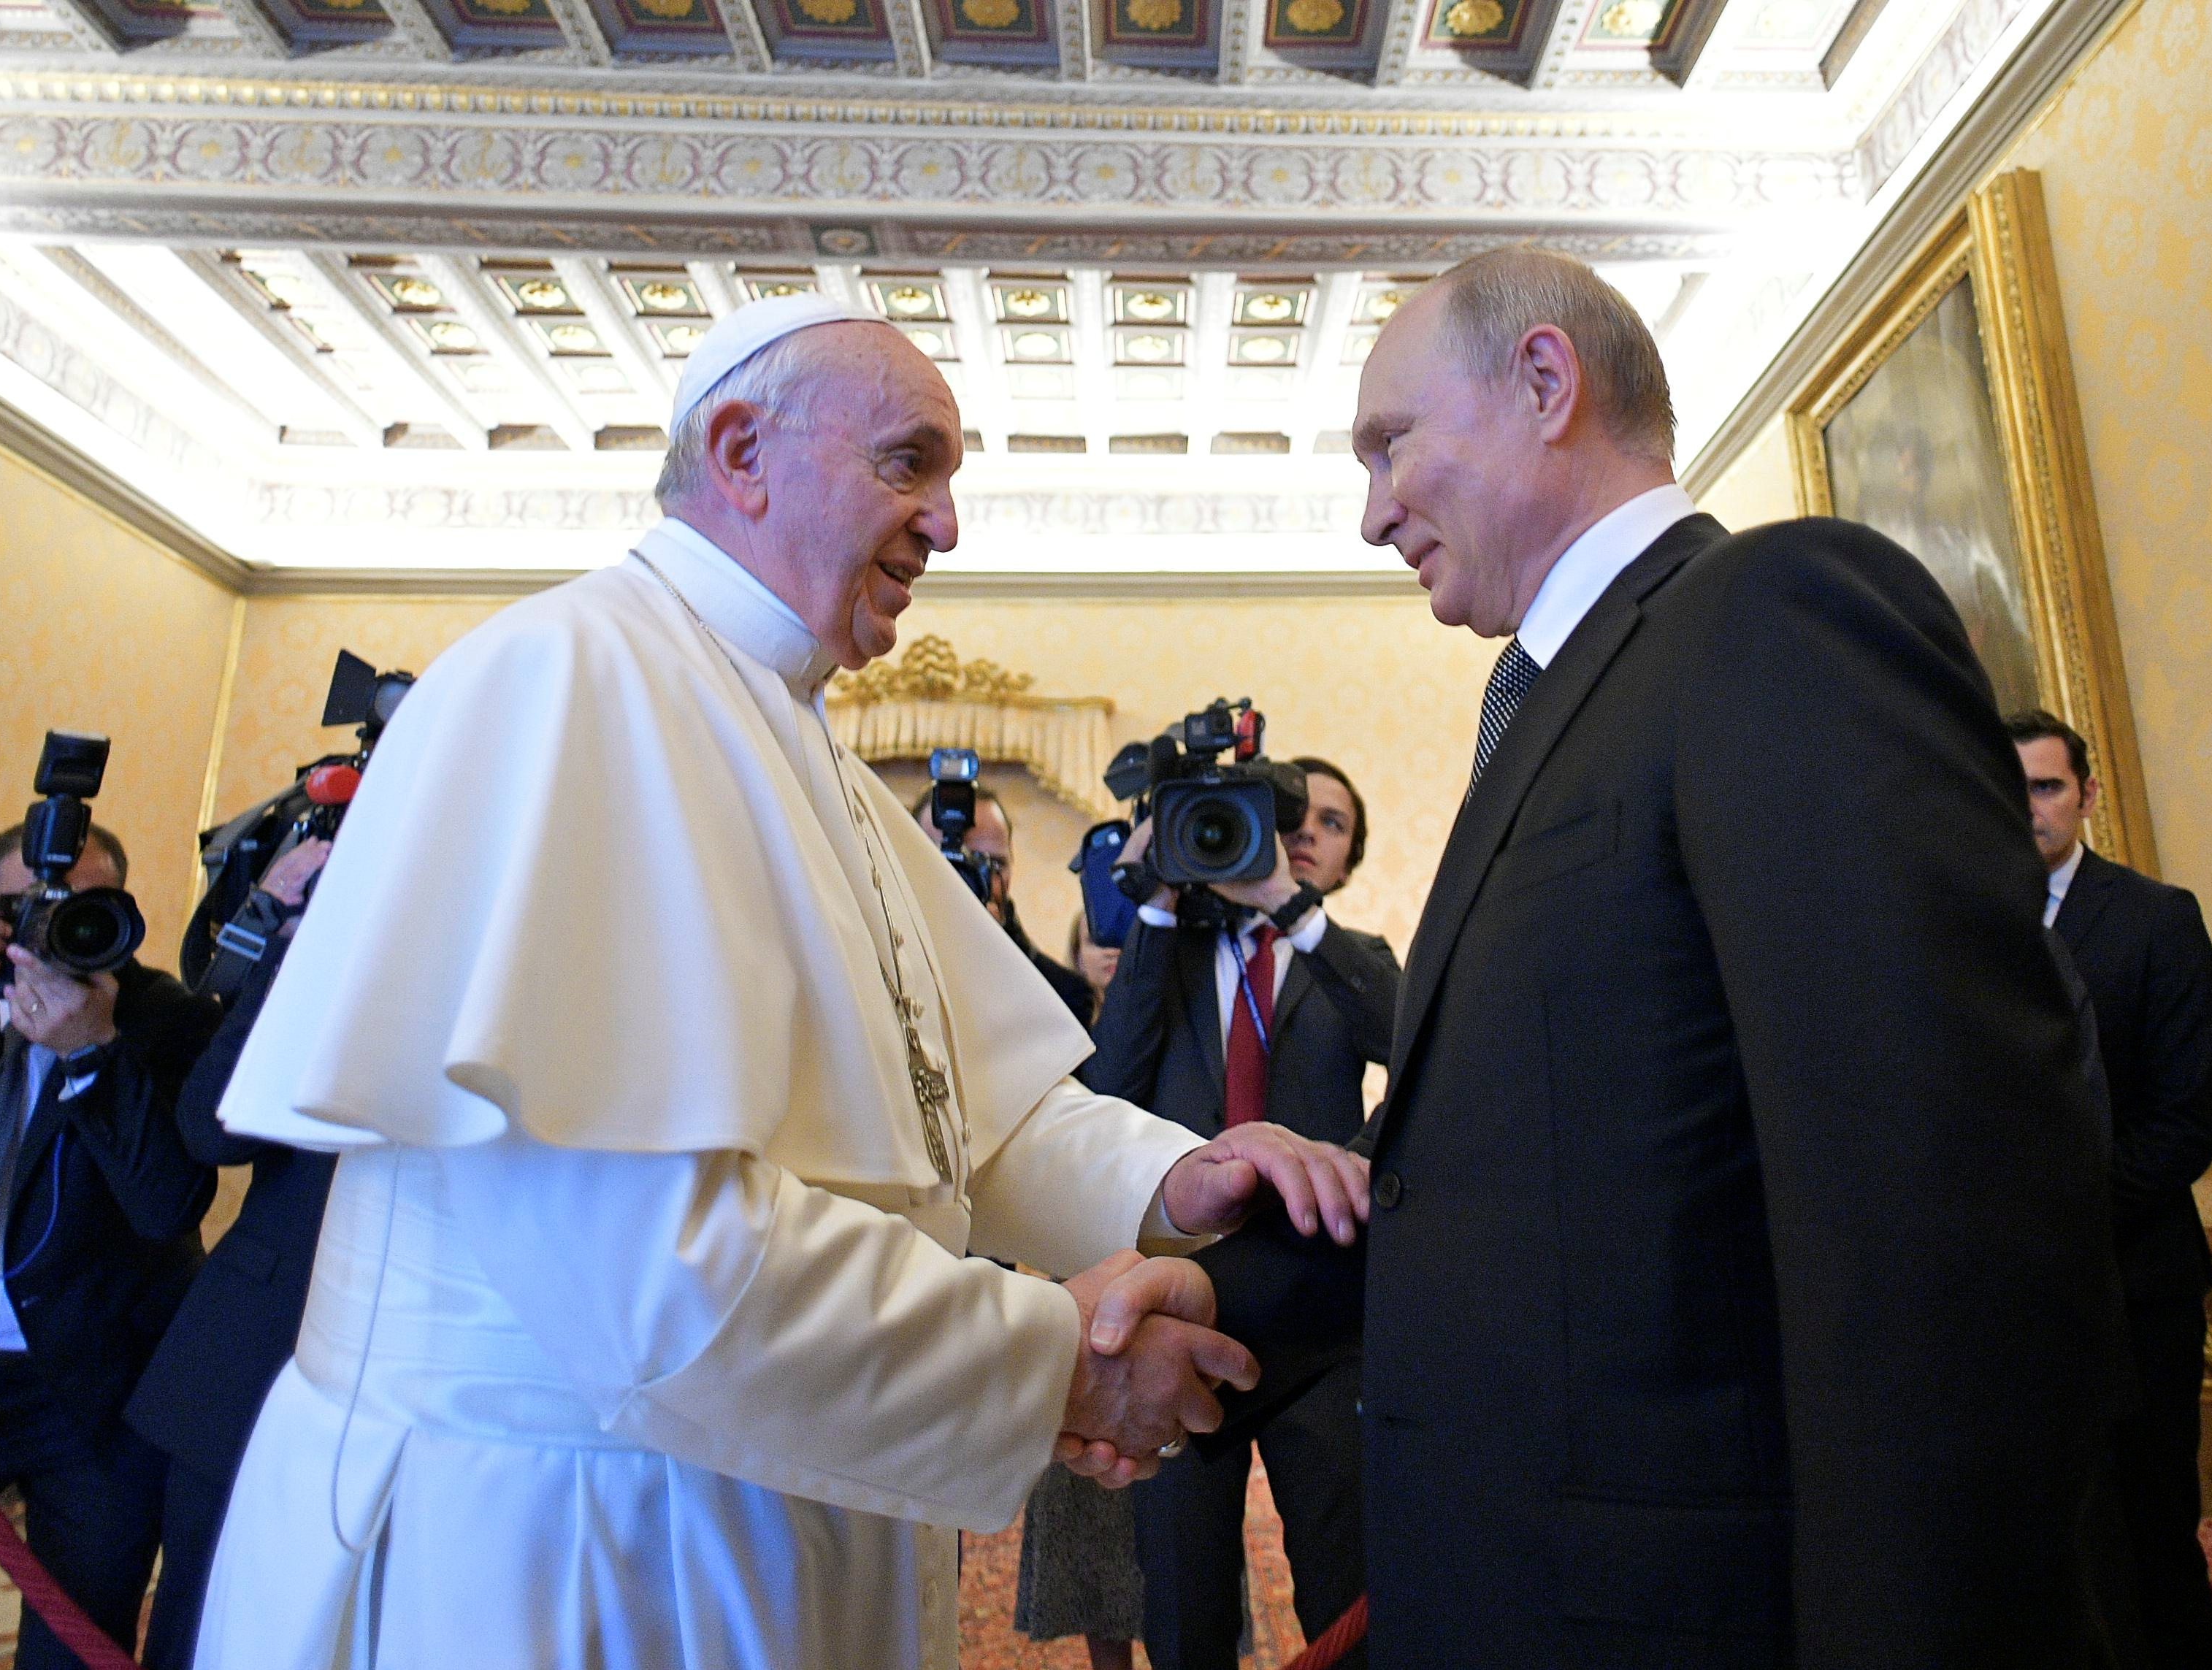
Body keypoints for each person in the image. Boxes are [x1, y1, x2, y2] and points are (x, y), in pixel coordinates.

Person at [193, 292, 1369, 1670]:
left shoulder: (810, 749)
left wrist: (1178, 1184)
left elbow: (969, 1113)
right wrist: (1064, 1358)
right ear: (741, 450)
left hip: (768, 1490)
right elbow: (651, 1267)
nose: (945, 523)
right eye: (908, 463)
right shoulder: (575, 678)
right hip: (563, 1544)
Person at [1334, 248, 2128, 1665]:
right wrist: (1217, 1274)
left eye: (1388, 443)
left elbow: (1943, 1228)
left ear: (1541, 380)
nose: (1372, 509)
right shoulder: (1558, 698)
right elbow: (1531, 1171)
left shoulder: (1771, 617)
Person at [1084, 757, 1394, 1670]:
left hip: (1322, 1321)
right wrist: (1151, 899)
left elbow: (1417, 1039)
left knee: (1347, 1597)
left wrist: (1294, 914)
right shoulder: (1165, 956)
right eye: (1286, 814)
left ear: (1344, 862)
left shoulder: (1352, 959)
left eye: (1331, 825)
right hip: (1187, 1310)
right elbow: (1108, 1088)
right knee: (1184, 1609)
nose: (1304, 833)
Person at [0, 823, 218, 1670]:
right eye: (31, 906)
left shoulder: (164, 1017)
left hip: (96, 1394)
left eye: (82, 904)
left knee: (75, 1644)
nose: (52, 929)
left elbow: (168, 1202)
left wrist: (94, 1056)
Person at [2012, 708, 2212, 1670]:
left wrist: (2052, 1217)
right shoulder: (1965, 929)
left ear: (2086, 795)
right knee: (2051, 1564)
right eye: (2005, 787)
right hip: (2020, 1310)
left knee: (2149, 1545)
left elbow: (2184, 1124)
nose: (2025, 808)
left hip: (2135, 1287)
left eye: (2045, 785)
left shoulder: (2155, 917)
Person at [126, 838, 338, 1670]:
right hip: (255, 1358)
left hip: (438, 1381)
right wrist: (290, 939)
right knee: (195, 1623)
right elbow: (214, 1127)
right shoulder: (322, 948)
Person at [911, 783, 1095, 1026]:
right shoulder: (872, 970)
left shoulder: (1062, 1000)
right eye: (955, 861)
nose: (974, 879)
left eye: (993, 864)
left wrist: (995, 955)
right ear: (910, 859)